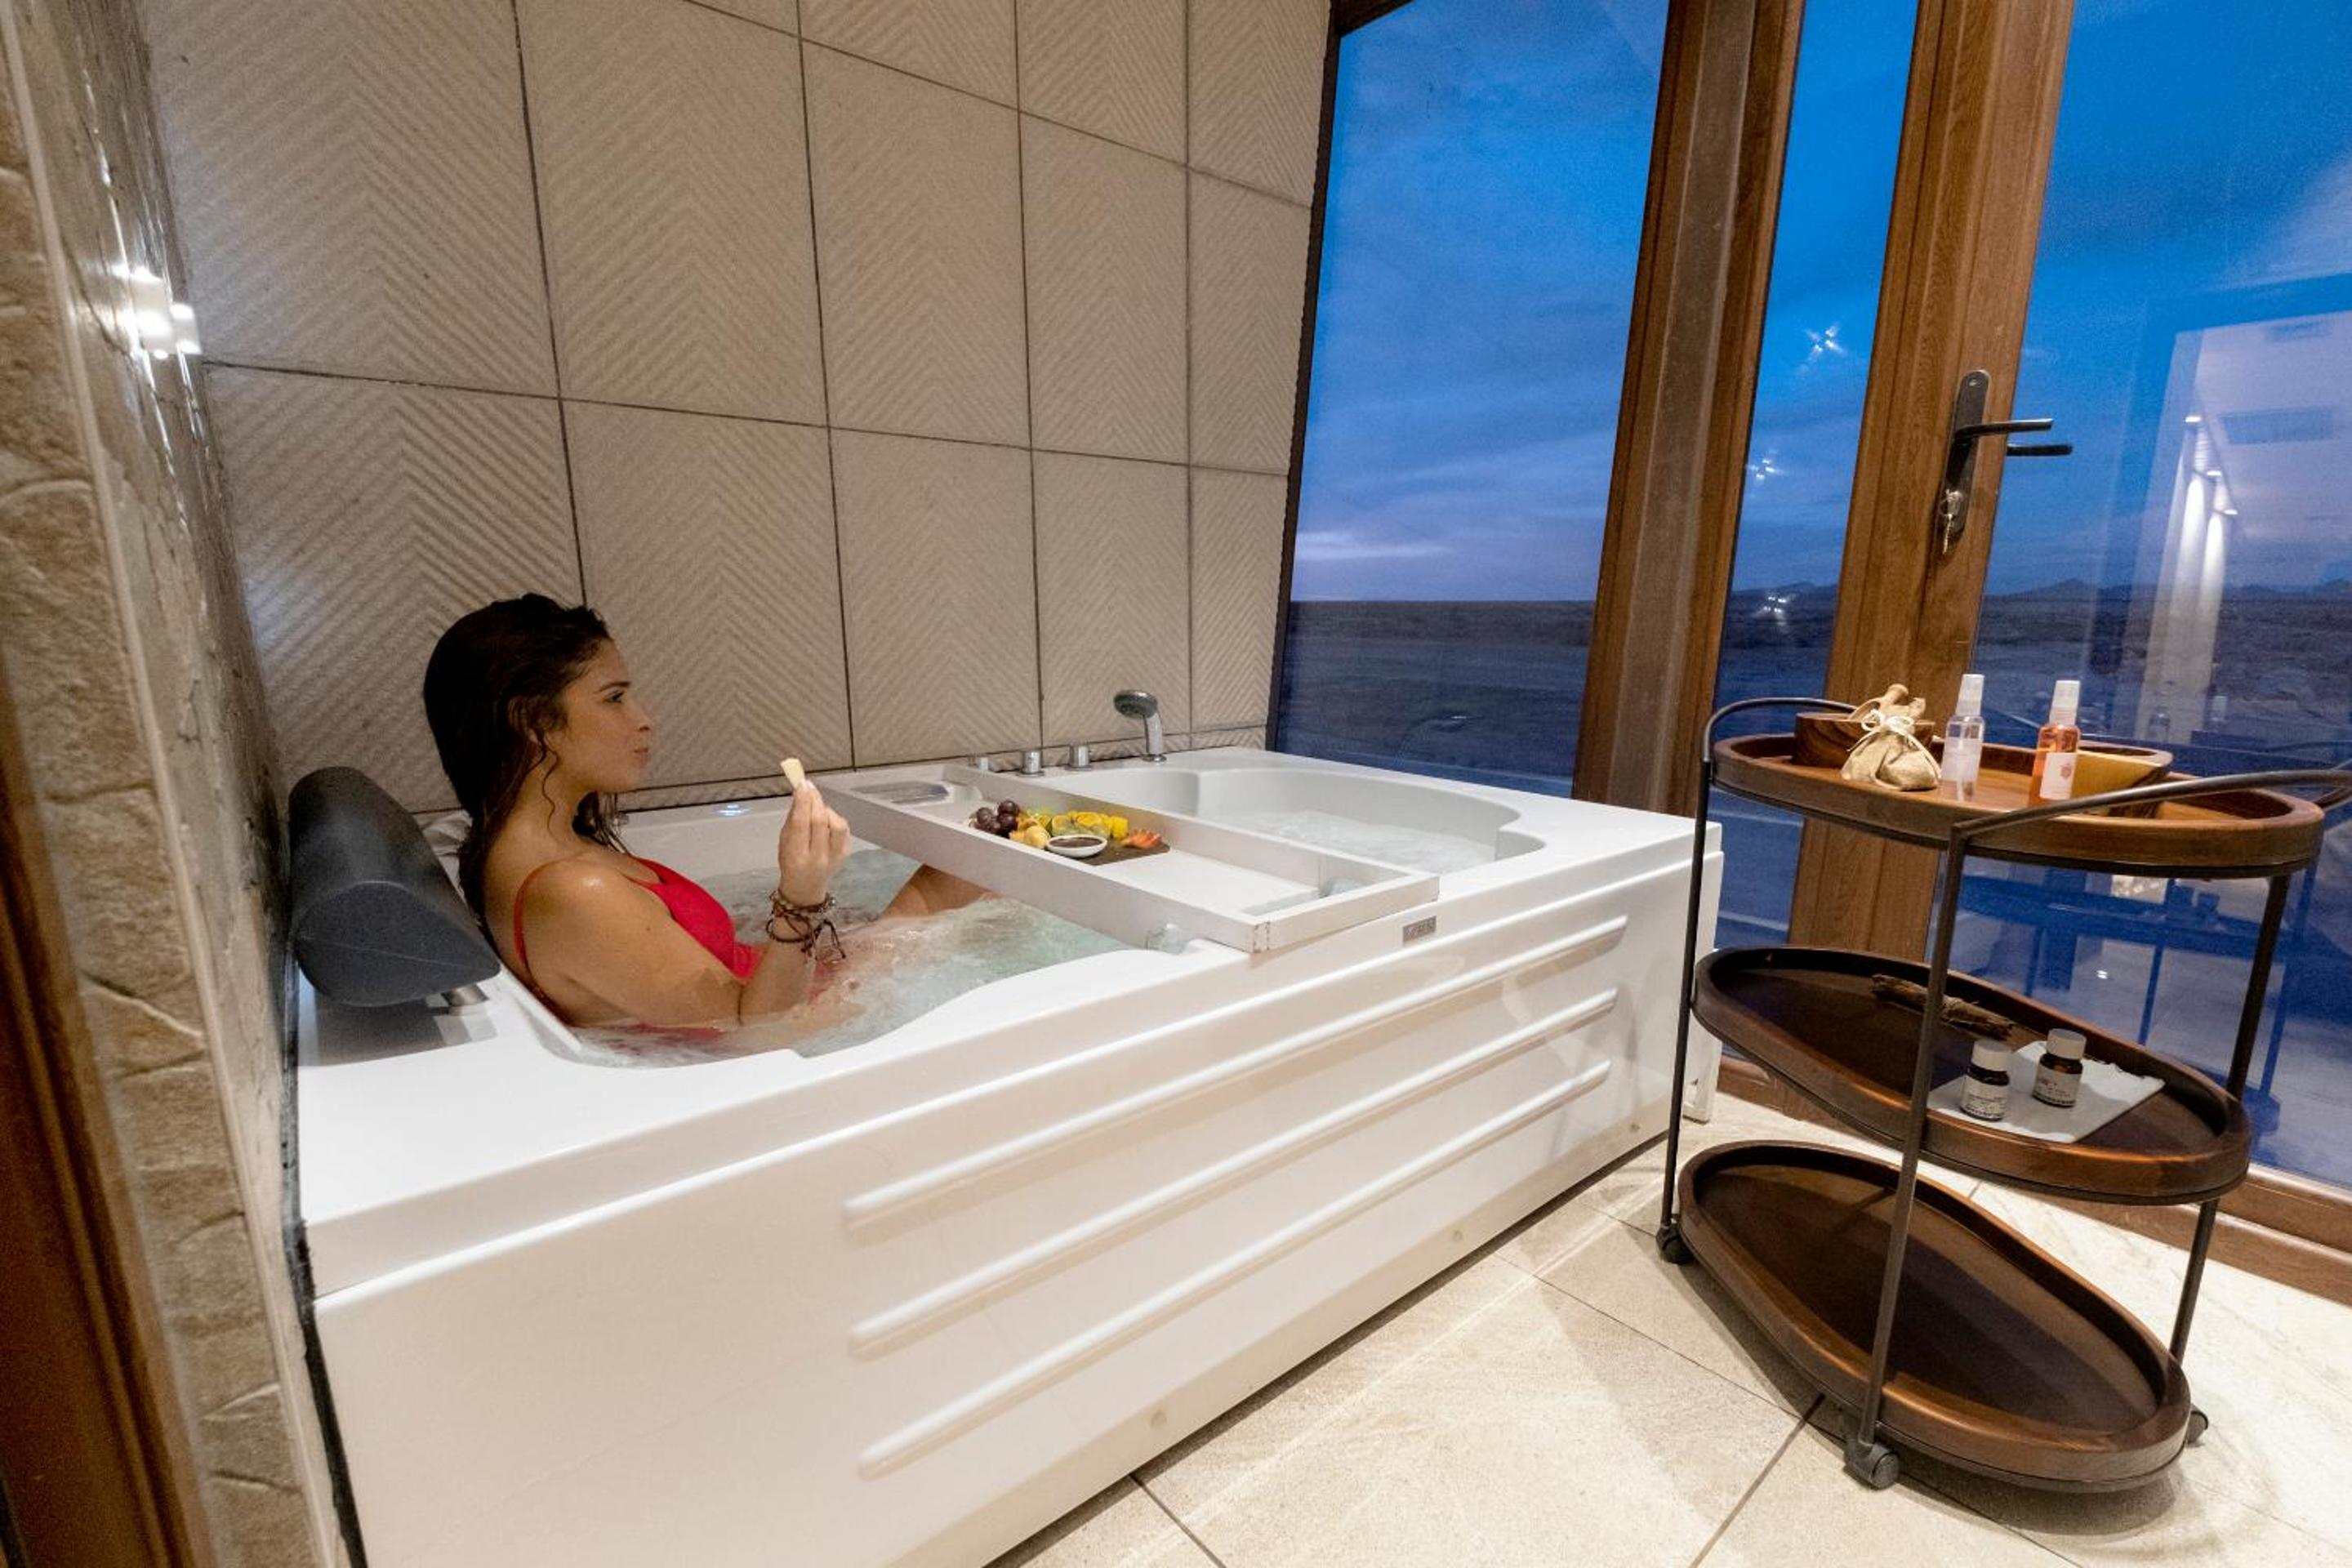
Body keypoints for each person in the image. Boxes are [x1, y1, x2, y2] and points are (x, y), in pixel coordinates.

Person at [422, 595, 982, 1027]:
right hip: (791, 1015)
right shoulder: (571, 891)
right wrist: (802, 894)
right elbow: (762, 1035)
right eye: (614, 698)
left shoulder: (525, 850)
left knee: (967, 871)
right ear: (532, 722)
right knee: (973, 885)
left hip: (782, 983)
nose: (644, 719)